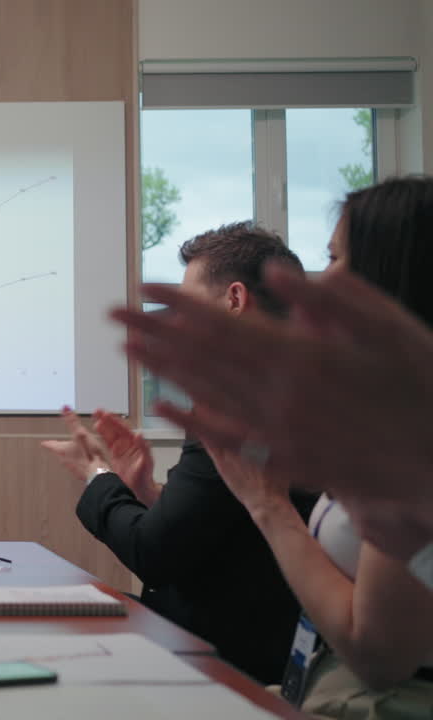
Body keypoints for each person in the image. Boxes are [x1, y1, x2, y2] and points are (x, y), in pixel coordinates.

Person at [118, 177, 433, 715]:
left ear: (387, 273)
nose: (321, 280)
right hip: (313, 681)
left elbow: (379, 657)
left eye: (337, 259)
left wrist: (266, 503)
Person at [42, 222, 316, 684]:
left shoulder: (237, 403)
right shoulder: (300, 386)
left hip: (221, 664)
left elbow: (153, 553)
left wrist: (96, 475)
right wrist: (148, 490)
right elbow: (226, 521)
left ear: (234, 299)